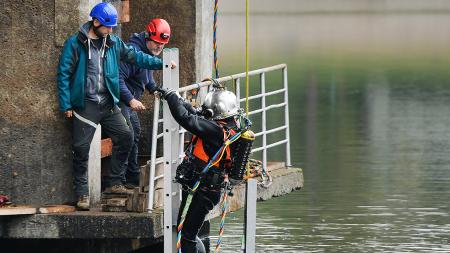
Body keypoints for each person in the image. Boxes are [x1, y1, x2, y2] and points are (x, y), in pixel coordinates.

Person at [57, 3, 174, 210]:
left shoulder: (113, 43)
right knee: (81, 149)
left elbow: (136, 56)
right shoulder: (74, 44)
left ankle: (114, 183)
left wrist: (162, 63)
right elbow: (64, 74)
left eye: (113, 27)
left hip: (108, 102)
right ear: (95, 22)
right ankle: (82, 194)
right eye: (107, 27)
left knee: (126, 136)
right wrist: (66, 104)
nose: (111, 31)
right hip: (85, 104)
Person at [157, 84, 252, 253]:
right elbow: (196, 114)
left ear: (215, 112)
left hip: (204, 190)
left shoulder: (215, 131)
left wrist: (171, 96)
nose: (204, 113)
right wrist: (179, 100)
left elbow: (188, 120)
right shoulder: (231, 127)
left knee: (186, 235)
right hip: (202, 187)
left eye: (207, 111)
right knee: (184, 230)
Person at [118, 18, 171, 188]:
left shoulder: (148, 53)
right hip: (120, 100)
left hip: (130, 100)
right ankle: (117, 181)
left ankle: (133, 177)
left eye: (162, 44)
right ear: (148, 36)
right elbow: (117, 79)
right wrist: (131, 100)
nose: (159, 47)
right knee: (126, 136)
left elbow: (146, 76)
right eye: (156, 43)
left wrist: (155, 88)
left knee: (135, 134)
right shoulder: (133, 53)